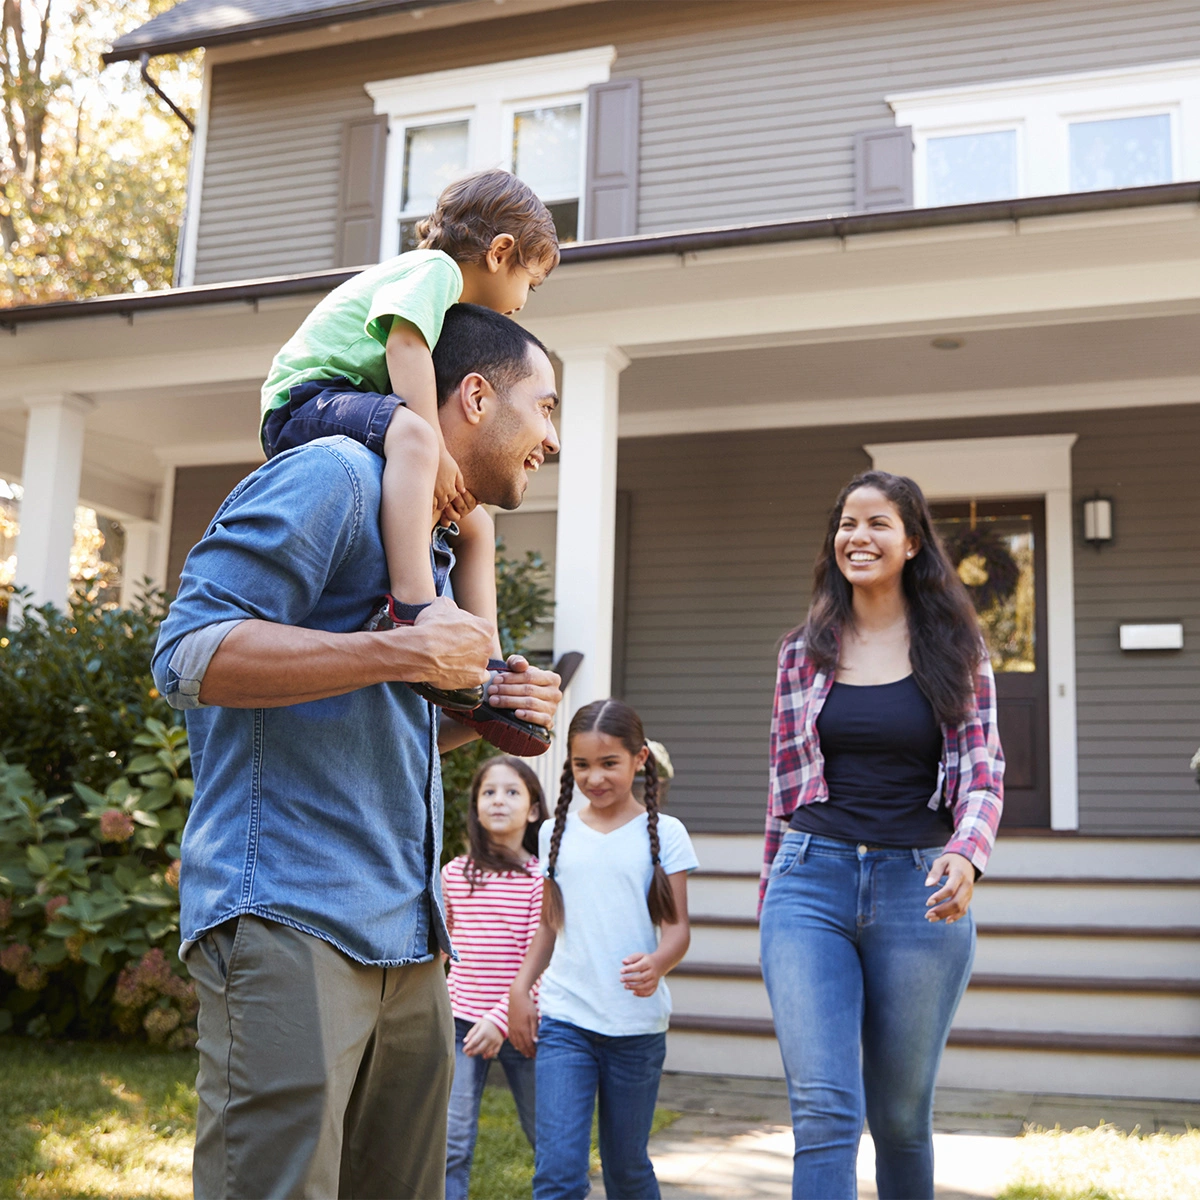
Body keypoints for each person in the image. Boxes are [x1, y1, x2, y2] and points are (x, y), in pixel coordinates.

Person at [151, 303, 563, 1200]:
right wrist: (400, 652)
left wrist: (491, 710)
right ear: (477, 397)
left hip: (411, 941)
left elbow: (386, 719)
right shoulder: (334, 475)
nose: (553, 438)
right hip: (291, 915)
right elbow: (186, 655)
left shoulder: (437, 539)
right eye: (545, 408)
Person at [758, 470, 1005, 1200]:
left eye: (876, 523)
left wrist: (967, 854)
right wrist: (771, 898)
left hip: (917, 890)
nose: (857, 537)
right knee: (825, 1113)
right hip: (811, 882)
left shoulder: (957, 648)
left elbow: (983, 771)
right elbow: (780, 791)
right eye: (846, 523)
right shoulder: (801, 652)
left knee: (899, 1119)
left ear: (912, 542)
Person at [260, 168, 559, 752]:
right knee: (415, 438)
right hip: (306, 397)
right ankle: (415, 607)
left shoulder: (440, 295)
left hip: (344, 401)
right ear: (500, 253)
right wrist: (435, 447)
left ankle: (490, 672)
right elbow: (404, 346)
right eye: (531, 282)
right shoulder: (434, 271)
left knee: (476, 523)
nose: (523, 302)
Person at [509, 699, 698, 1200]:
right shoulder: (555, 833)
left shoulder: (667, 834)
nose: (595, 777)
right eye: (582, 765)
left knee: (627, 1169)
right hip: (566, 1021)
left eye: (609, 763)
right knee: (557, 1173)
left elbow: (678, 929)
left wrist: (658, 963)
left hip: (635, 1030)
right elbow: (549, 927)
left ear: (640, 759)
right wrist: (520, 990)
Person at [443, 755, 546, 1199]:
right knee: (451, 1143)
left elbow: (541, 963)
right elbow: (441, 951)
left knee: (548, 1137)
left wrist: (500, 1020)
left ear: (534, 809)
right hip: (460, 1024)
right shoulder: (453, 874)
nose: (498, 800)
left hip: (523, 1024)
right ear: (476, 807)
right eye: (488, 792)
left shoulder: (541, 879)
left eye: (511, 792)